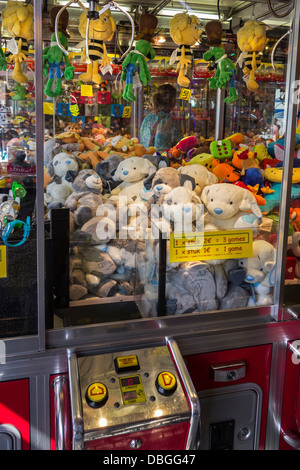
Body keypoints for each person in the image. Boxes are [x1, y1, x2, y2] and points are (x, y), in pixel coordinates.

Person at [140, 84, 182, 152]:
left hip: (145, 157)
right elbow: (180, 143)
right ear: (173, 101)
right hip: (161, 160)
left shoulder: (148, 117)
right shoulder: (166, 119)